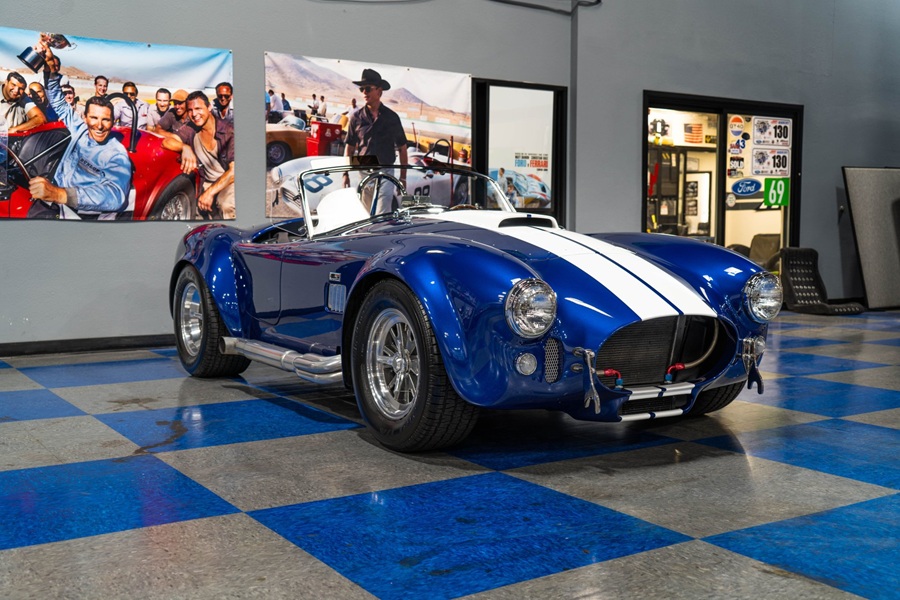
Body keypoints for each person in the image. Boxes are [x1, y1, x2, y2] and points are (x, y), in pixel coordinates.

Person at [26, 41, 131, 218]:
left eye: (106, 120)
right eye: (94, 118)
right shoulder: (80, 128)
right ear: (85, 117)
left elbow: (115, 194)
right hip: (53, 198)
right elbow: (58, 102)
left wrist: (60, 194)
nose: (99, 125)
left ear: (113, 122)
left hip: (81, 213)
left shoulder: (116, 154)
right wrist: (50, 66)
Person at [343, 69, 408, 212]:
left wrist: (403, 179)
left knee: (381, 213)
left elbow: (402, 148)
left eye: (367, 89)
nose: (364, 93)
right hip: (363, 172)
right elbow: (349, 148)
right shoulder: (356, 118)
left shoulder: (392, 118)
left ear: (379, 91)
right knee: (365, 213)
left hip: (386, 172)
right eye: (361, 89)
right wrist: (345, 174)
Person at [176, 91, 235, 219]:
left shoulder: (229, 131)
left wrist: (210, 192)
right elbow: (167, 141)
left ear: (209, 107)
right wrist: (184, 147)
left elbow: (234, 171)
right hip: (205, 181)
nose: (194, 114)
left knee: (225, 204)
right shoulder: (191, 128)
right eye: (190, 110)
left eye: (198, 108)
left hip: (229, 180)